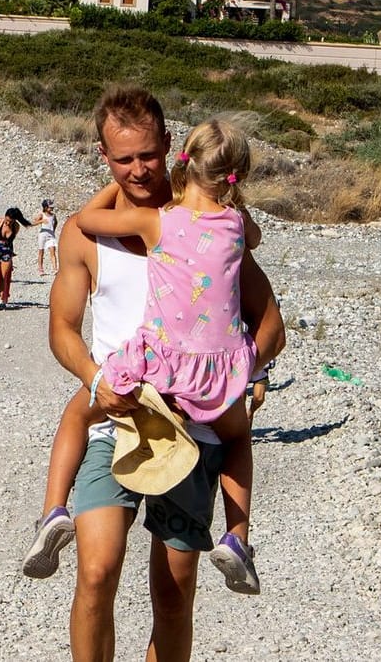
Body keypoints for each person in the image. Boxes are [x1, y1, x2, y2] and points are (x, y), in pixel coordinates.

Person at [27, 86, 284, 662]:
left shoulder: (213, 225)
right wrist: (97, 380)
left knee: (173, 595)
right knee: (96, 573)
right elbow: (62, 329)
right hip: (114, 418)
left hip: (194, 433)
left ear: (170, 146)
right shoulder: (85, 235)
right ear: (103, 156)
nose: (138, 169)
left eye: (148, 154)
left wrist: (239, 376)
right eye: (123, 159)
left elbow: (271, 325)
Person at [72, 117, 265, 596]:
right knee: (238, 439)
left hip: (160, 369)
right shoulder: (238, 226)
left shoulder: (157, 221)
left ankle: (53, 509)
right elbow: (254, 244)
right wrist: (250, 366)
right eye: (125, 160)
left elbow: (85, 221)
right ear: (236, 175)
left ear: (180, 159)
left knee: (83, 407)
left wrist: (111, 176)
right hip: (218, 372)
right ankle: (238, 536)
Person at [0, 207, 31, 309]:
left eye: (10, 221)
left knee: (4, 275)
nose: (7, 223)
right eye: (6, 220)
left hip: (6, 250)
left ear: (14, 220)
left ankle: (1, 299)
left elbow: (11, 241)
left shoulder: (16, 227)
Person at [34, 199, 60, 276]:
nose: (52, 209)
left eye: (52, 207)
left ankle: (55, 268)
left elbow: (56, 223)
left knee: (53, 251)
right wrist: (41, 221)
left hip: (51, 235)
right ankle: (40, 269)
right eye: (50, 207)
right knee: (41, 252)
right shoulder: (42, 214)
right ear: (45, 207)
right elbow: (33, 222)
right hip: (43, 234)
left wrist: (53, 230)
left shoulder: (53, 215)